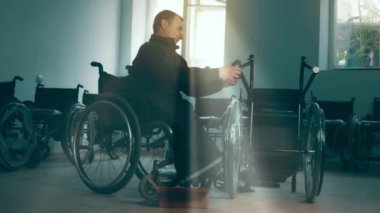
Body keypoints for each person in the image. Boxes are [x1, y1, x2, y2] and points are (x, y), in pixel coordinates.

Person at [129, 10, 242, 184]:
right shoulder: (149, 50)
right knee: (182, 110)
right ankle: (210, 162)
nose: (182, 35)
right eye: (179, 28)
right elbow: (179, 77)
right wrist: (219, 73)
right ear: (164, 24)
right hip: (146, 104)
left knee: (183, 108)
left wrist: (222, 81)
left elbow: (190, 86)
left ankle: (194, 169)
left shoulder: (174, 57)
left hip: (166, 104)